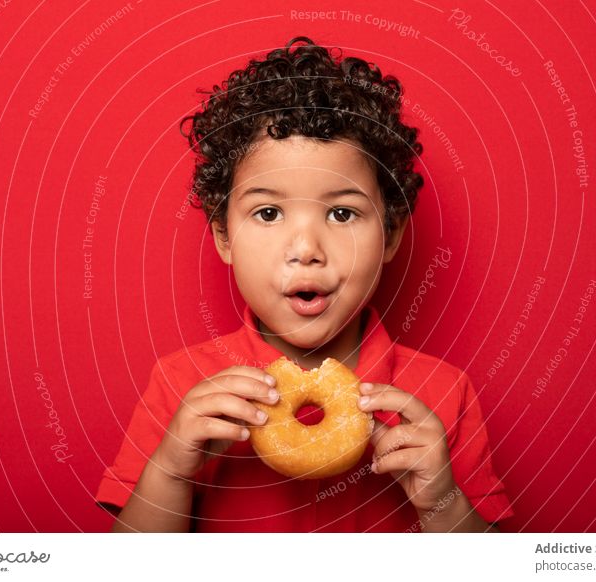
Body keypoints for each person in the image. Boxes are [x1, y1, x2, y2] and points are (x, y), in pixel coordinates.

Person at [96, 36, 513, 532]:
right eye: (268, 212)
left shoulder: (442, 395)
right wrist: (169, 471)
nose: (306, 247)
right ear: (225, 236)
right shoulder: (182, 387)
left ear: (391, 234)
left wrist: (440, 500)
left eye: (342, 212)